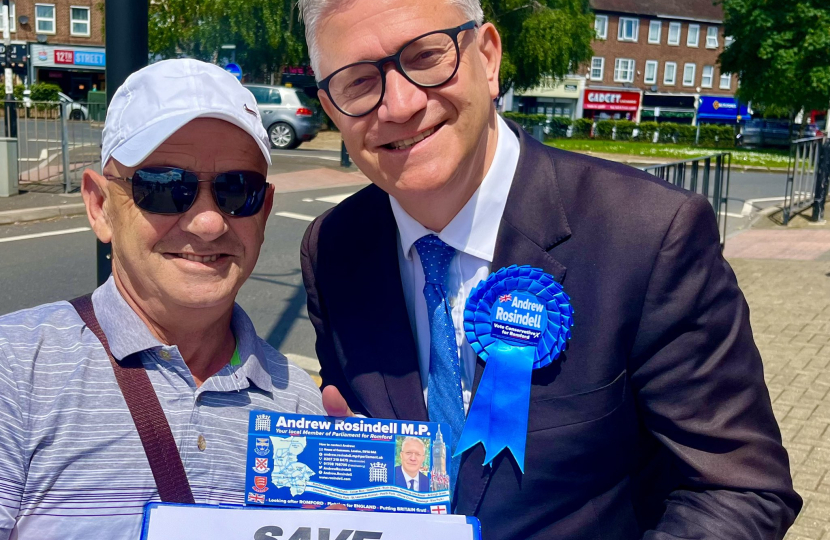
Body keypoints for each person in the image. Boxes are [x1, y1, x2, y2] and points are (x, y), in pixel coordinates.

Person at [297, 0, 801, 538]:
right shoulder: (331, 248)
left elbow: (736, 488)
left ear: (487, 58)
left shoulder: (649, 234)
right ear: (331, 108)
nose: (397, 104)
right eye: (356, 82)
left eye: (425, 57)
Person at [0, 59, 324, 540]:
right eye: (167, 188)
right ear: (100, 206)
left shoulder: (302, 405)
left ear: (265, 209)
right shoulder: (16, 370)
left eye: (239, 190)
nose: (209, 222)